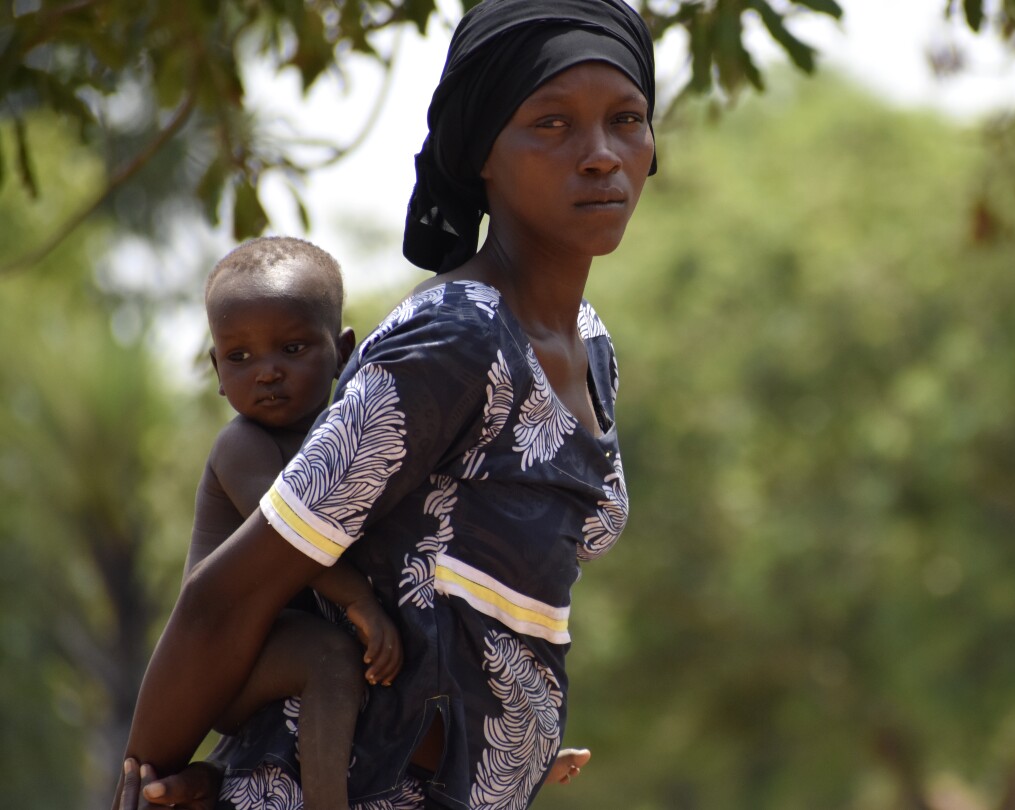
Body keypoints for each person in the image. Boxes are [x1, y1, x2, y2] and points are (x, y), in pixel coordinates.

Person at [114, 0, 655, 807]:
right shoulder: (455, 340)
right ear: (482, 156)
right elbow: (233, 592)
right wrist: (143, 778)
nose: (601, 155)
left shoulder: (589, 341)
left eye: (626, 119)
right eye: (551, 124)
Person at [188, 236, 398, 810]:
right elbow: (293, 542)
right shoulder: (242, 446)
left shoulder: (348, 441)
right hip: (224, 657)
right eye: (240, 357)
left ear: (343, 350)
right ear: (216, 368)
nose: (267, 373)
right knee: (329, 654)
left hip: (284, 654)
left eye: (293, 347)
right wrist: (360, 601)